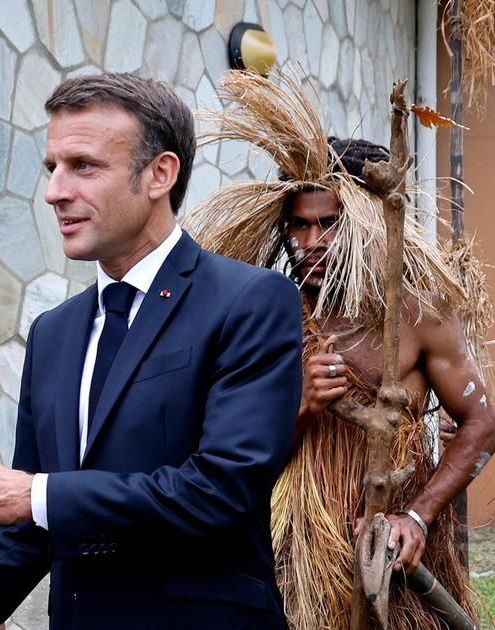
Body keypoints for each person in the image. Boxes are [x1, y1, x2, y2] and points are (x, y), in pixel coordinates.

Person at [0, 73, 302, 628]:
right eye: (52, 168)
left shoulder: (251, 301)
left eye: (84, 166)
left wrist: (40, 495)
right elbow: (29, 526)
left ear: (159, 174)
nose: (55, 191)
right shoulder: (52, 334)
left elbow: (223, 490)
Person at [187, 70, 495, 629]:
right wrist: (299, 405)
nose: (311, 243)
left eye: (328, 224)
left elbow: (482, 422)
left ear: (364, 222)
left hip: (387, 554)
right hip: (286, 555)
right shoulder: (262, 316)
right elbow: (226, 460)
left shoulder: (416, 314)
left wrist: (418, 518)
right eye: (299, 227)